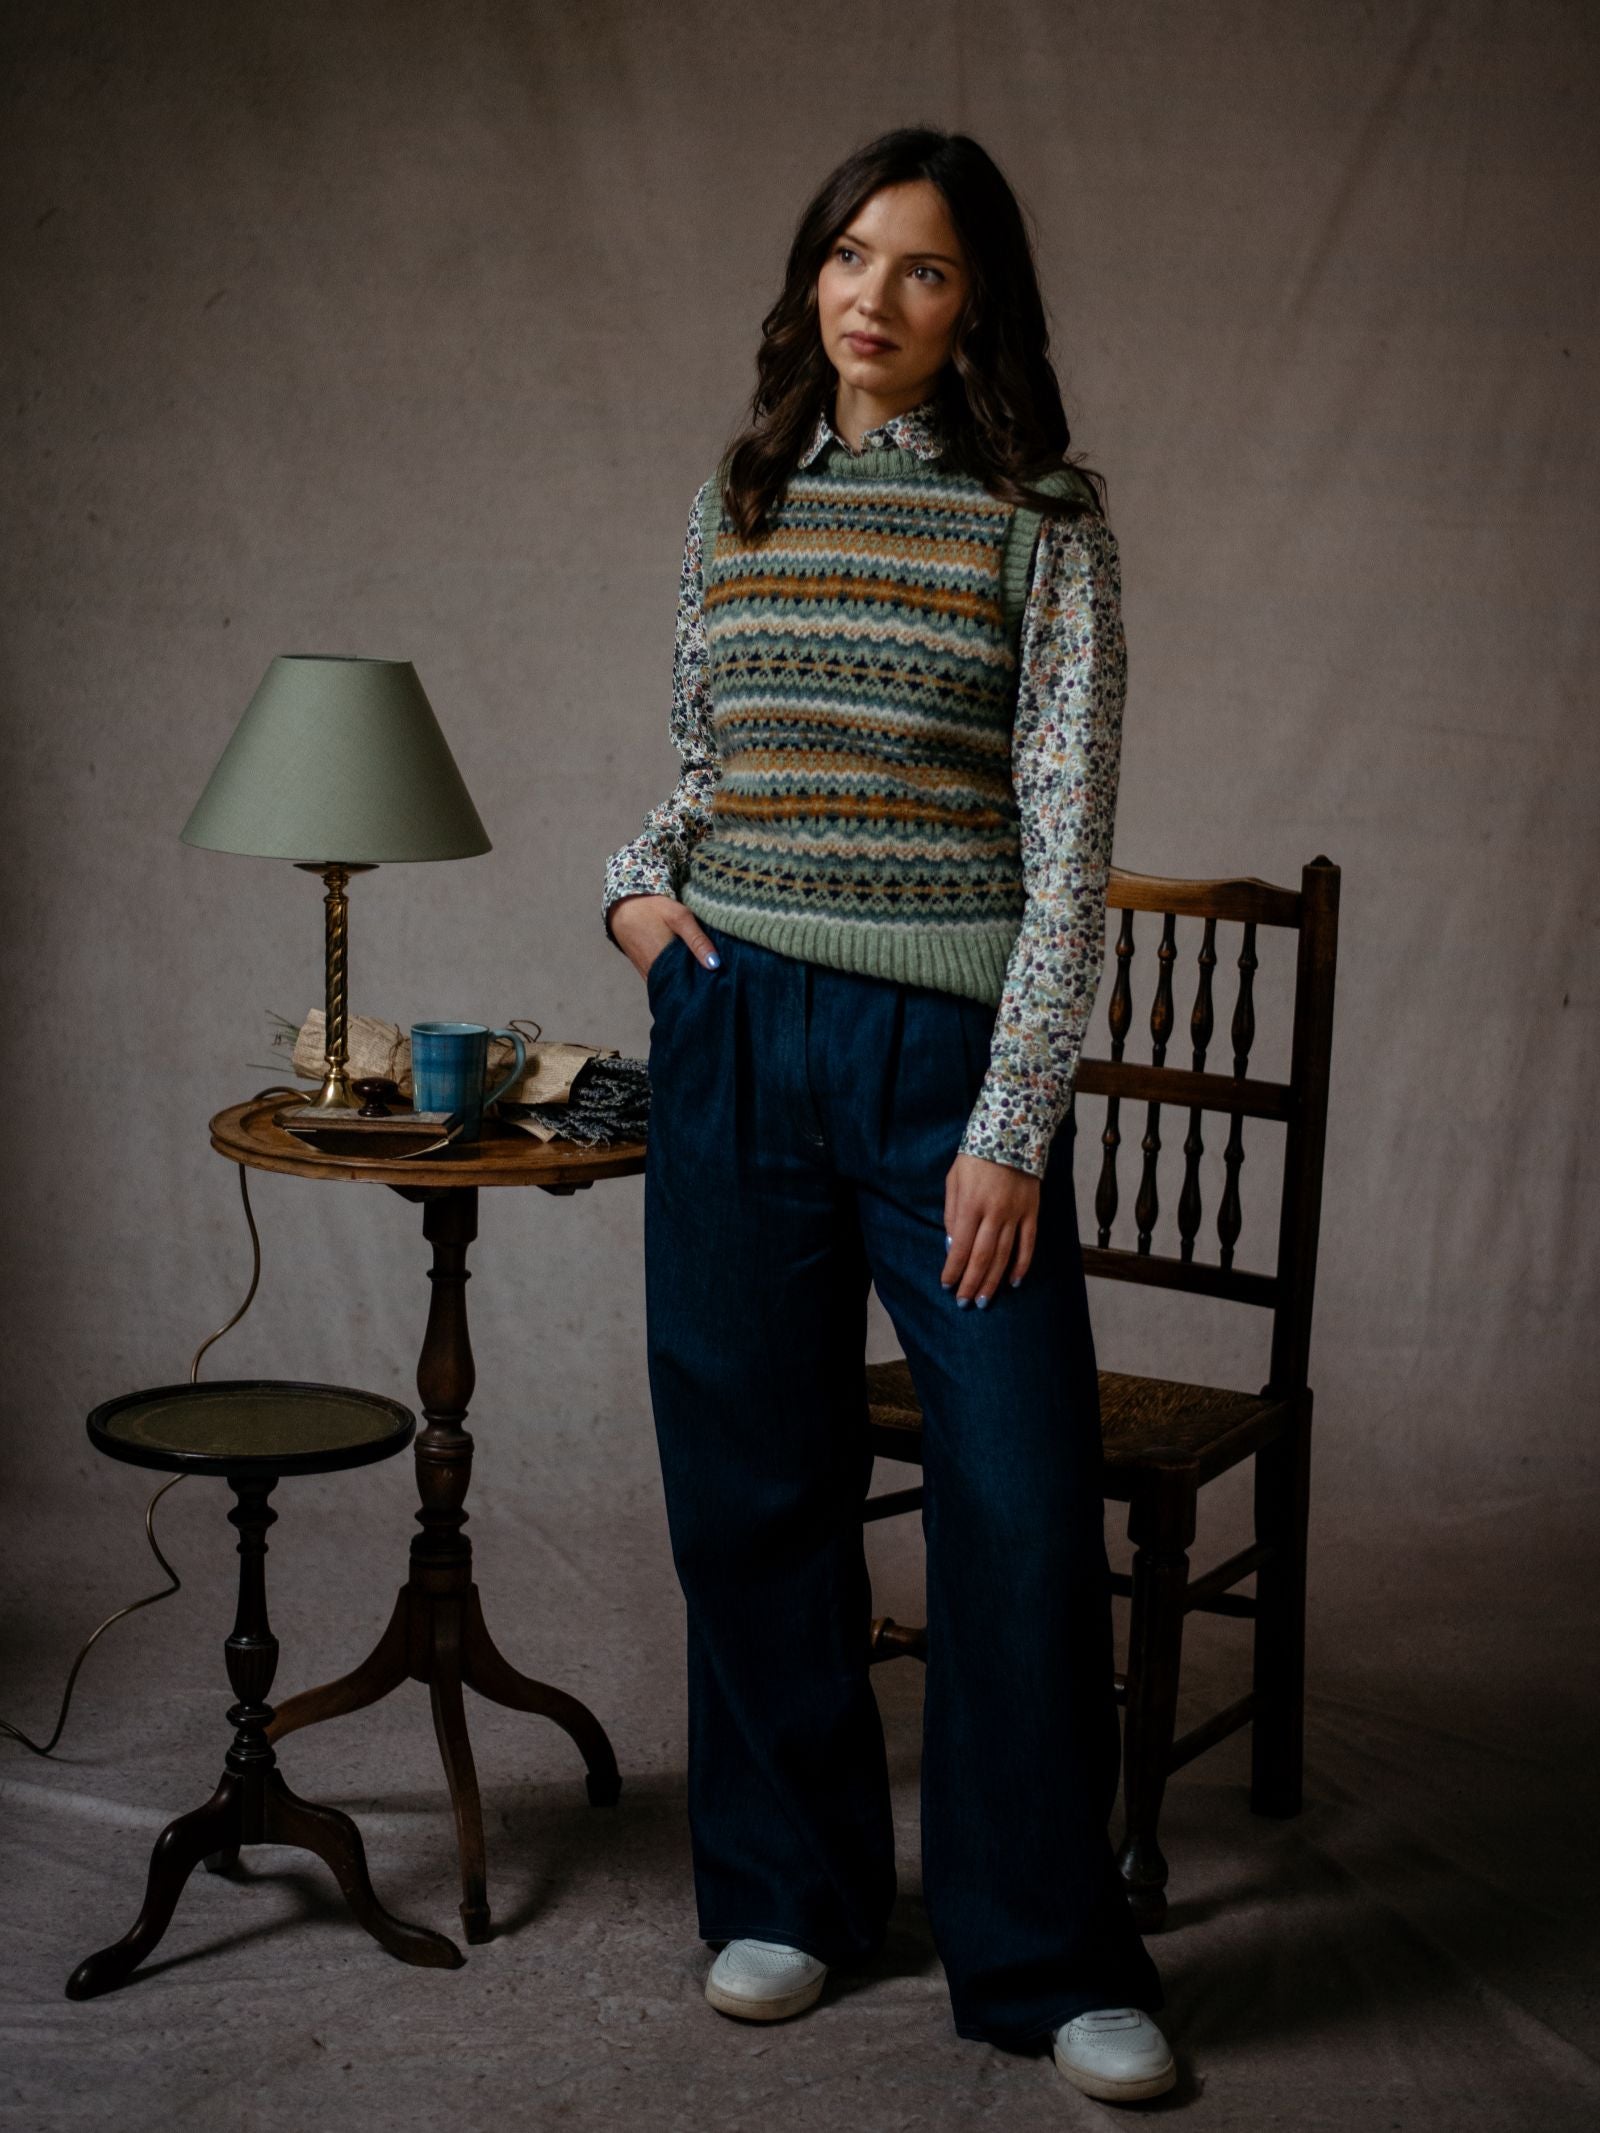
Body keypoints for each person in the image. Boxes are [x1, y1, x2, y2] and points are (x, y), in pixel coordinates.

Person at [602, 126, 1176, 2106]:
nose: (871, 294)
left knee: (1013, 1503)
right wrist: (636, 899)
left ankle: (1040, 1946)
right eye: (847, 255)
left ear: (973, 306)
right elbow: (693, 773)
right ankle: (791, 1885)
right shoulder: (737, 501)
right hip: (733, 1028)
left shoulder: (1043, 520)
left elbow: (1063, 842)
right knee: (750, 1477)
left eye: (918, 269)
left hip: (943, 1074)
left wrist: (1011, 1124)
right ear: (808, 276)